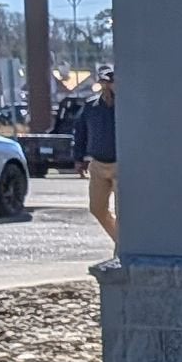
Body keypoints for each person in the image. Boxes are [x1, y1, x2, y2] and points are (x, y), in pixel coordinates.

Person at [74, 66, 118, 243]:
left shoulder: (127, 107)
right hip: (98, 164)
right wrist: (79, 158)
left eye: (110, 82)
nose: (107, 86)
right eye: (104, 82)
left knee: (124, 212)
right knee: (97, 208)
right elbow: (80, 132)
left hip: (121, 165)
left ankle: (122, 249)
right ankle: (120, 241)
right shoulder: (91, 106)